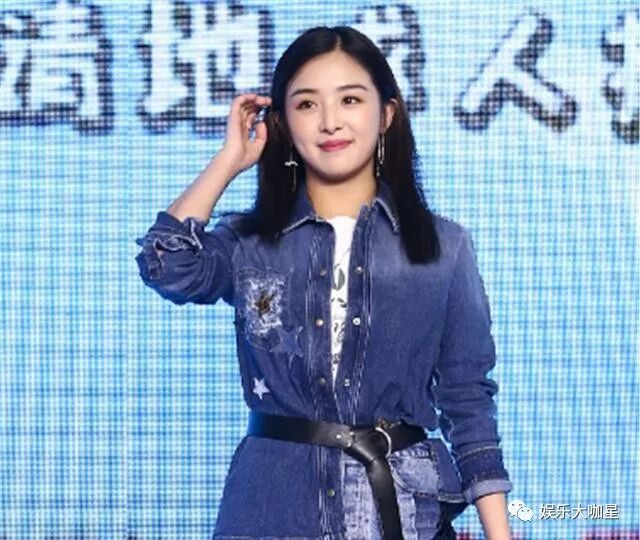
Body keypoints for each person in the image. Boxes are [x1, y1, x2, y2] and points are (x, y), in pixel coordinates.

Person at [135, 26, 513, 540]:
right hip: (272, 512)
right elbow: (167, 265)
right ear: (283, 124)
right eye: (307, 104)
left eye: (350, 100)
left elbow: (467, 402)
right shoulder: (249, 242)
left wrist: (500, 534)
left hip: (399, 513)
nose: (330, 121)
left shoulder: (443, 247)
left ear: (386, 114)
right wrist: (229, 161)